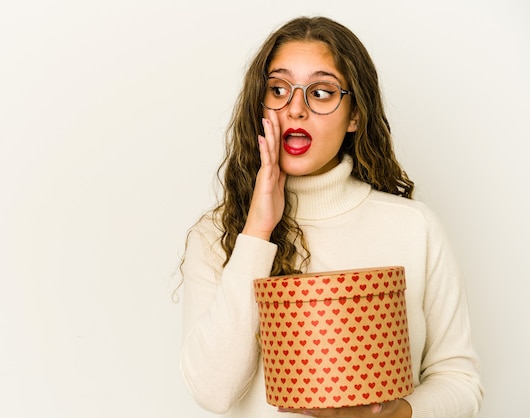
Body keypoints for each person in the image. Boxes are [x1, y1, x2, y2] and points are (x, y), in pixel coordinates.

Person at [178, 16, 483, 418]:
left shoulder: (414, 227)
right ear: (260, 106)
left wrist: (390, 413)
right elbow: (213, 393)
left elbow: (460, 381)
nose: (297, 109)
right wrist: (258, 231)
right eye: (278, 90)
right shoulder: (216, 235)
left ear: (355, 116)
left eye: (320, 93)